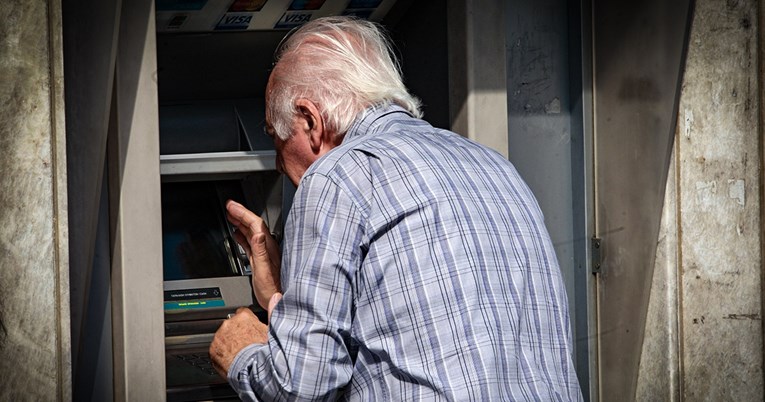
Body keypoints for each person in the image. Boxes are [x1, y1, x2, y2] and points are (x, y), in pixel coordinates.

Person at [209, 16, 583, 401]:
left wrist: (242, 354)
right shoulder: (495, 166)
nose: (275, 163)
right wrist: (285, 292)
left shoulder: (335, 177)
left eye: (276, 137)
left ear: (310, 120)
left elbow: (302, 387)